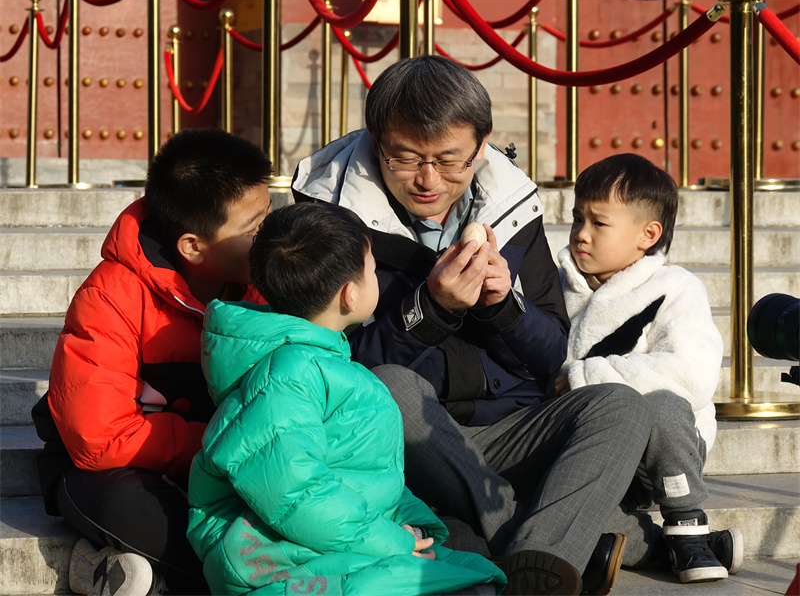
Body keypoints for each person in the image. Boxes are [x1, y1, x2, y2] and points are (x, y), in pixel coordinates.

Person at [292, 55, 654, 596]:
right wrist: (430, 309)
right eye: (404, 157)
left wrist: (504, 306)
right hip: (404, 443)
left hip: (510, 428)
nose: (428, 180)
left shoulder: (512, 206)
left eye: (449, 160)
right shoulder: (328, 215)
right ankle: (540, 543)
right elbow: (325, 365)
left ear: (481, 147)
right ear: (375, 140)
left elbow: (555, 353)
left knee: (619, 404)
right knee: (387, 387)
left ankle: (529, 554)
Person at [187, 202, 507, 596]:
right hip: (276, 555)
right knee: (474, 583)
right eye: (372, 269)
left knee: (476, 575)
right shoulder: (289, 373)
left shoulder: (322, 361)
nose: (376, 277)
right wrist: (391, 541)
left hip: (333, 537)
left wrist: (411, 524)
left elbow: (366, 470)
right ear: (350, 296)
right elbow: (292, 490)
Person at [30, 128, 273, 596]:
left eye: (268, 216)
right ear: (193, 246)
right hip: (114, 469)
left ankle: (116, 570)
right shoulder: (109, 296)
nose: (270, 237)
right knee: (131, 508)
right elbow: (99, 439)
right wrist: (225, 446)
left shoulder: (264, 282)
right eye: (252, 229)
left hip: (220, 463)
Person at [553, 153, 743, 583]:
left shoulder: (675, 288)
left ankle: (687, 522)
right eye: (577, 218)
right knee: (555, 513)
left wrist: (586, 376)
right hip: (587, 454)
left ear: (648, 234)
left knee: (663, 404)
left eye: (599, 223)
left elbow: (690, 373)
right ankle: (668, 547)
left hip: (660, 452)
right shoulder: (554, 285)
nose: (581, 234)